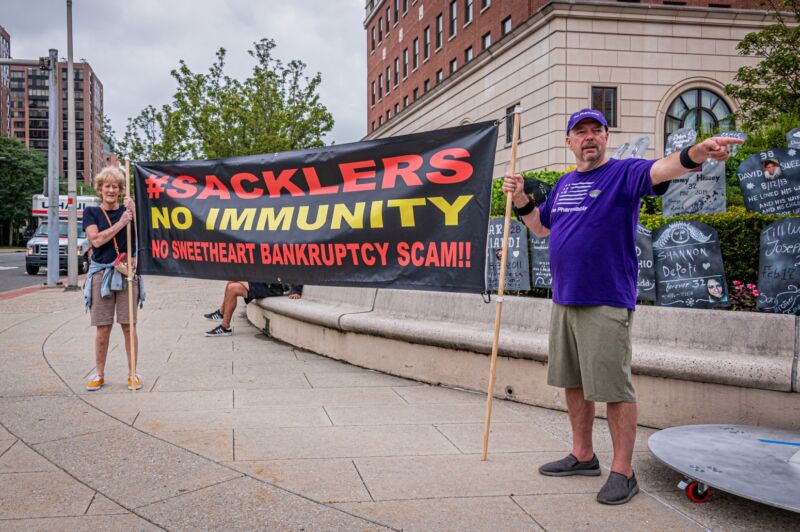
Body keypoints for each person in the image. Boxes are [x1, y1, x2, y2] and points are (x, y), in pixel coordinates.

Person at [502, 108, 742, 505]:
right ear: (570, 141)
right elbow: (542, 227)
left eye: (597, 130)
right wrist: (523, 198)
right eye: (581, 131)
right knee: (574, 383)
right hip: (565, 299)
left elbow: (664, 169)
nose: (590, 136)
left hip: (606, 299)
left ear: (606, 138)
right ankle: (582, 455)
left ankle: (623, 471)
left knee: (614, 388)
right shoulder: (563, 184)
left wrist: (698, 152)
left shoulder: (623, 174)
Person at [82, 166, 145, 392]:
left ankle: (133, 373)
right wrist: (121, 223)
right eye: (107, 186)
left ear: (120, 190)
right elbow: (96, 240)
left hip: (127, 274)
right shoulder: (91, 213)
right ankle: (99, 373)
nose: (111, 190)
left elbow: (143, 234)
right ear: (100, 189)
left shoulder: (130, 210)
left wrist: (135, 213)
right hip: (102, 275)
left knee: (129, 326)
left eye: (115, 187)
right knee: (103, 327)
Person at [204, 281, 302, 337]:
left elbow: (298, 266)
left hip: (272, 288)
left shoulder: (283, 246)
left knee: (233, 283)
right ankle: (223, 318)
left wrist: (296, 290)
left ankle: (224, 325)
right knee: (232, 284)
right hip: (261, 282)